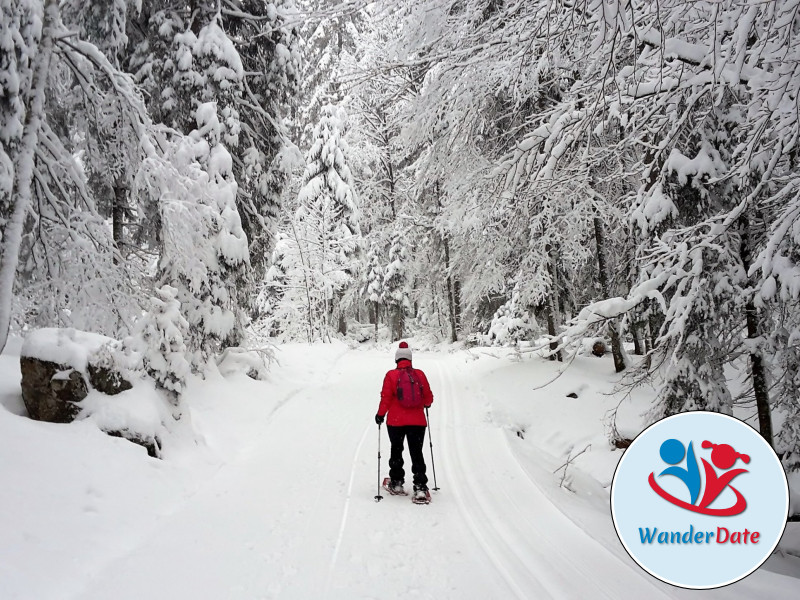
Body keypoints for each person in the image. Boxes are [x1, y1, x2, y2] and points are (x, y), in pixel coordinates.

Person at [375, 341, 434, 501]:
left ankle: (396, 483)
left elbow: (386, 398)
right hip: (417, 423)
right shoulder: (420, 374)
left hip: (395, 422)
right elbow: (428, 398)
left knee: (396, 450)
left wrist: (380, 415)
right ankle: (420, 487)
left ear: (396, 360)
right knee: (416, 453)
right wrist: (424, 404)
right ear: (410, 359)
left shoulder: (391, 375)